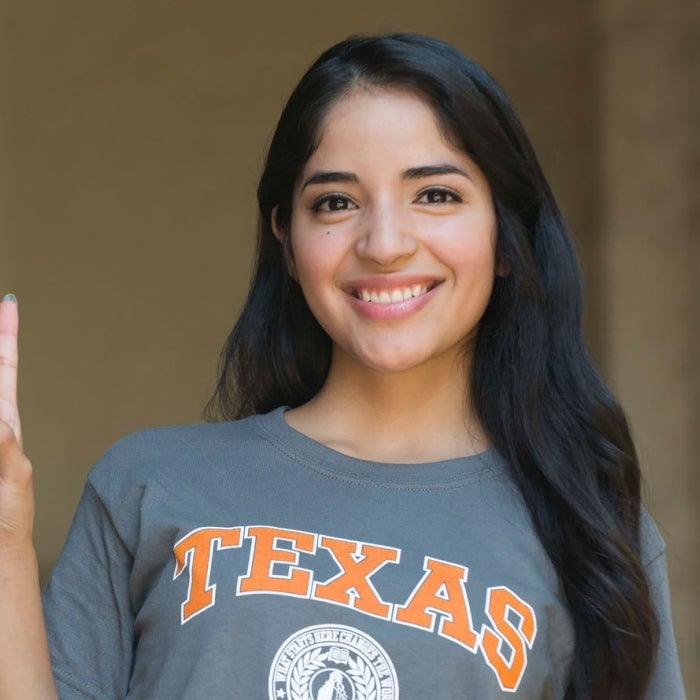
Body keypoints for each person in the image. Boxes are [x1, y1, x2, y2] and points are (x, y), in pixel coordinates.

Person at [0, 32, 686, 699]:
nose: (384, 243)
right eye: (336, 202)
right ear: (289, 243)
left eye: (435, 194)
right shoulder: (149, 486)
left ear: (507, 236)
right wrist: (5, 551)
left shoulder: (591, 532)